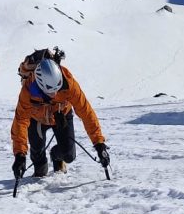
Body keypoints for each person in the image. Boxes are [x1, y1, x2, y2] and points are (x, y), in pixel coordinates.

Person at [11, 47, 110, 181]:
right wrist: (20, 155)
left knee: (69, 155)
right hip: (36, 119)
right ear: (39, 83)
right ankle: (40, 166)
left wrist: (99, 144)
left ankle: (56, 155)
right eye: (50, 91)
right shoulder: (28, 90)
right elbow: (21, 120)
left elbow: (86, 112)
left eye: (57, 88)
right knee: (39, 165)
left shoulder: (69, 83)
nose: (55, 94)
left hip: (61, 115)